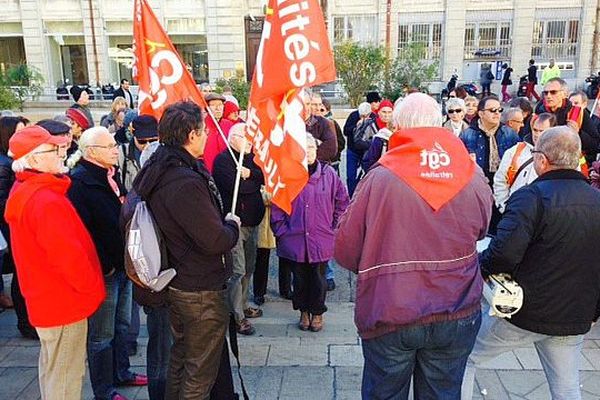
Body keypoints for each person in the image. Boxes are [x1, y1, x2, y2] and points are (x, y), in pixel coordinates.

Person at [335, 93, 493, 399]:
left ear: (398, 129)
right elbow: (482, 228)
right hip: (456, 305)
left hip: (392, 307)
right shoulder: (471, 174)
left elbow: (345, 249)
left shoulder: (379, 178)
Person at [462, 126, 600, 400]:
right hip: (575, 314)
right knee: (567, 388)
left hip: (524, 313)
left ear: (542, 160)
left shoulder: (531, 197)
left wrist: (478, 266)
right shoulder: (596, 199)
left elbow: (503, 254)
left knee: (464, 359)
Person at [132, 101, 240, 399]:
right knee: (199, 373)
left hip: (181, 283)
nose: (207, 135)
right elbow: (214, 239)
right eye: (204, 130)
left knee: (181, 363)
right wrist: (231, 225)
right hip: (199, 289)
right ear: (192, 135)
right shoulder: (182, 180)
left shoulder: (161, 166)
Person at [5, 125, 105, 400]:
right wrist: (91, 288)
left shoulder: (27, 189)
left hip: (46, 299)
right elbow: (69, 257)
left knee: (53, 369)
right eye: (54, 149)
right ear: (34, 158)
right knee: (65, 376)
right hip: (63, 301)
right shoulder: (45, 199)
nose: (62, 152)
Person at [67, 127, 147, 400]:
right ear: (91, 152)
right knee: (102, 334)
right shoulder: (79, 183)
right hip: (105, 270)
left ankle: (121, 372)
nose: (116, 149)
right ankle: (104, 390)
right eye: (109, 146)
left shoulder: (110, 176)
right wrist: (105, 265)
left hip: (122, 263)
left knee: (122, 324)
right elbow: (81, 232)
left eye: (115, 145)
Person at [272, 133, 349, 332]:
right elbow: (277, 206)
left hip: (320, 237)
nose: (308, 153)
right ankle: (303, 312)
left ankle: (317, 313)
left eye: (312, 149)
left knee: (318, 279)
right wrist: (281, 231)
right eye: (304, 149)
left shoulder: (328, 174)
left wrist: (334, 225)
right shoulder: (287, 175)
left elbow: (342, 200)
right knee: (299, 279)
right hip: (294, 238)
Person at [213, 123, 265, 336]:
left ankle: (242, 304)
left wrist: (250, 174)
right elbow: (238, 188)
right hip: (236, 223)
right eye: (246, 138)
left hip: (254, 221)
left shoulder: (251, 157)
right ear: (233, 138)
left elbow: (262, 176)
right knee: (237, 270)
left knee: (249, 267)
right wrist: (250, 179)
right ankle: (236, 316)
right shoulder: (223, 161)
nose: (251, 142)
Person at [0, 116, 38, 340]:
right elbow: (3, 203)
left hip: (15, 225)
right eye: (18, 131)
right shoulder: (5, 165)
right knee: (20, 275)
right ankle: (25, 322)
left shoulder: (9, 162)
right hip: (12, 227)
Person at [460, 96, 520, 235]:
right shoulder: (468, 135)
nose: (497, 113)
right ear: (481, 113)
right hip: (479, 185)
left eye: (499, 109)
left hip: (503, 185)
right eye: (492, 110)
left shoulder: (509, 133)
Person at [493, 112, 556, 213]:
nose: (537, 134)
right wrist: (504, 206)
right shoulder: (514, 151)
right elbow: (500, 180)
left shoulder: (561, 155)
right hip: (516, 212)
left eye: (542, 131)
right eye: (535, 130)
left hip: (547, 216)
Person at [535, 77, 600, 166]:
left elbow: (595, 145)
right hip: (544, 165)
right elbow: (526, 139)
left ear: (564, 94)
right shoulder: (537, 114)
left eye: (553, 92)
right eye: (545, 93)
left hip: (571, 166)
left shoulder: (577, 113)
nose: (548, 96)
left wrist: (579, 133)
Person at [343, 92, 381, 197]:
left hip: (366, 150)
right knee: (351, 176)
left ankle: (364, 197)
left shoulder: (373, 116)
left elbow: (376, 134)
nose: (378, 104)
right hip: (353, 150)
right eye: (377, 102)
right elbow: (345, 131)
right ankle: (351, 197)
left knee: (368, 175)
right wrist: (356, 125)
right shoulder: (354, 115)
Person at [118, 114, 159, 192]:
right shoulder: (122, 152)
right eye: (142, 141)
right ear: (133, 136)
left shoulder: (165, 153)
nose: (147, 145)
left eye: (152, 141)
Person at [252, 187, 276, 306]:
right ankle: (259, 292)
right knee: (260, 257)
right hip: (259, 218)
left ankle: (286, 288)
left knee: (285, 256)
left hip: (274, 217)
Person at [203, 92, 234, 172]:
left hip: (227, 171)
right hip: (208, 171)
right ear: (207, 108)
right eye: (213, 105)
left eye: (220, 105)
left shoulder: (229, 125)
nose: (218, 108)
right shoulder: (201, 126)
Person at [304, 92, 338, 162]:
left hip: (318, 167)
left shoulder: (324, 123)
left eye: (308, 104)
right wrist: (317, 143)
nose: (318, 108)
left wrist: (310, 158)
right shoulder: (290, 124)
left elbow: (331, 147)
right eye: (315, 105)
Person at [362, 99, 394, 171]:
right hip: (373, 163)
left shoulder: (396, 126)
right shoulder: (371, 125)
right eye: (384, 112)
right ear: (378, 112)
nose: (386, 115)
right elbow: (360, 142)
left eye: (389, 112)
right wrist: (376, 143)